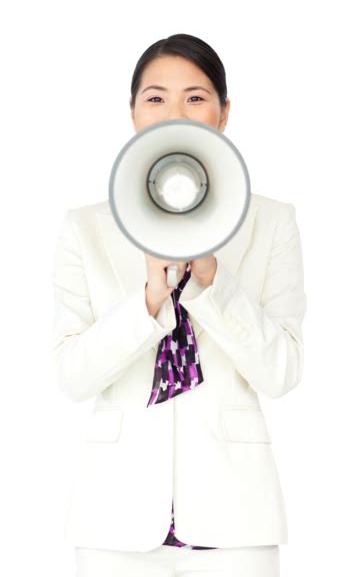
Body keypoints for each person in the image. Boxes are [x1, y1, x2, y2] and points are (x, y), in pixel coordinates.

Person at [51, 33, 307, 576]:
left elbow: (281, 373)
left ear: (223, 113)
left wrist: (214, 283)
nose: (175, 112)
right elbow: (71, 377)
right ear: (133, 113)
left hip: (237, 520)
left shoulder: (272, 221)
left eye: (195, 97)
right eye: (155, 97)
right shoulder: (86, 228)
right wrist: (147, 300)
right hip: (113, 522)